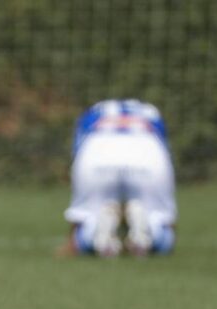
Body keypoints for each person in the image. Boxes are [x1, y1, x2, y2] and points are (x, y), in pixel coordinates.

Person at [61, 99, 177, 257]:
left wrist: (72, 240)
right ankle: (148, 233)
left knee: (85, 222)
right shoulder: (151, 112)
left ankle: (95, 235)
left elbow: (78, 149)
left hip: (98, 151)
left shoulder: (93, 112)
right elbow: (163, 147)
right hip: (146, 152)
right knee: (162, 228)